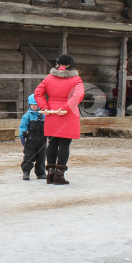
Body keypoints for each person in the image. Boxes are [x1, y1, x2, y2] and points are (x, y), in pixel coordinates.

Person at [34, 54, 84, 185]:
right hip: (67, 114)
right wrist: (66, 107)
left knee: (52, 143)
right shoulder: (76, 79)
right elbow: (77, 96)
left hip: (51, 113)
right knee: (64, 145)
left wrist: (44, 107)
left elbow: (38, 93)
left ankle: (50, 174)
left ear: (58, 64)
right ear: (71, 65)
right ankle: (59, 176)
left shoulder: (49, 78)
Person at [19, 93, 47, 181]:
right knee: (28, 156)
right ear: (29, 105)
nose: (34, 107)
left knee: (41, 157)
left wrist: (49, 135)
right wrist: (23, 136)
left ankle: (41, 173)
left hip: (42, 140)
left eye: (36, 105)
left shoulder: (44, 115)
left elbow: (48, 126)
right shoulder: (27, 115)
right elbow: (23, 126)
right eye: (32, 105)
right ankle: (26, 172)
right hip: (31, 140)